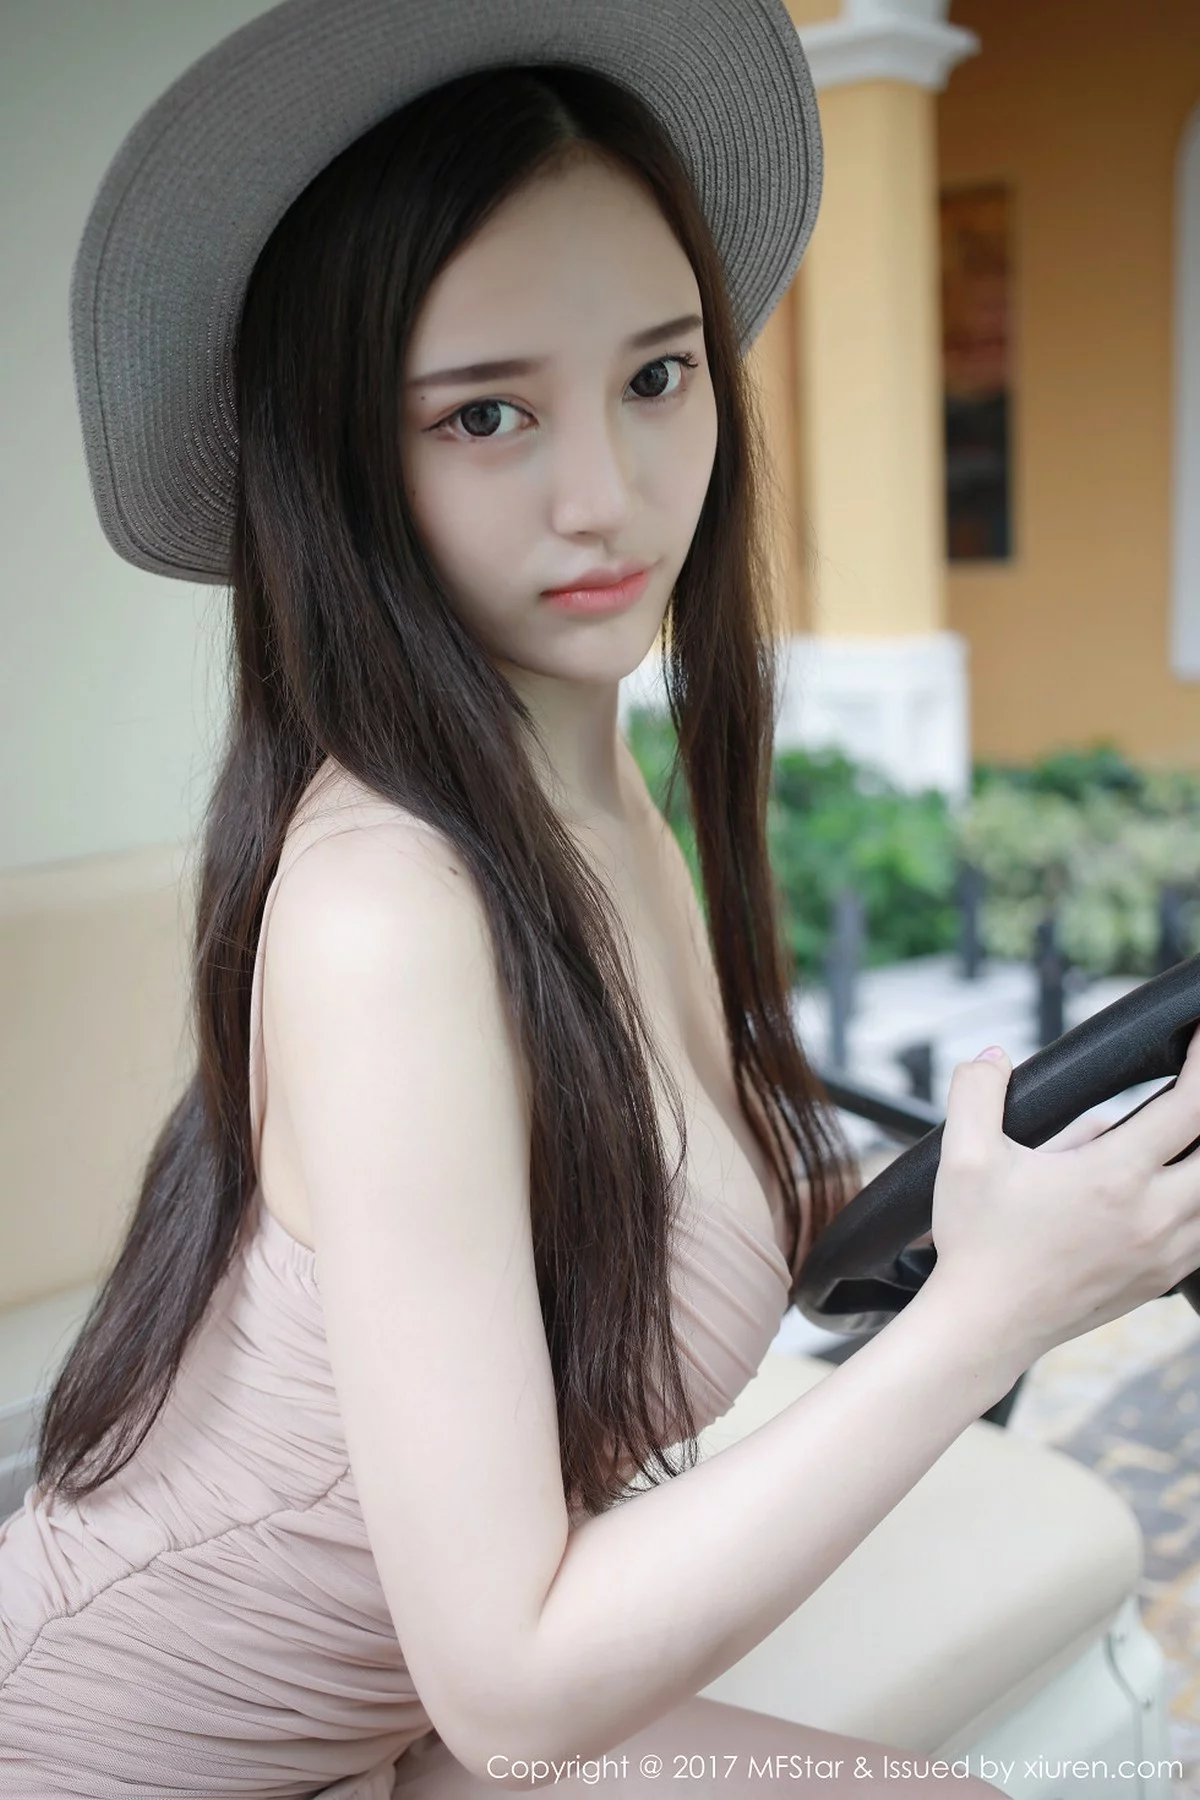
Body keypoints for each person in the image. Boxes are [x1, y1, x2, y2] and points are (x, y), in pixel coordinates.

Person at [4, 3, 1200, 1795]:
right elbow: (514, 1690)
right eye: (485, 414)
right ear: (344, 460)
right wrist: (990, 1318)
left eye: (657, 376)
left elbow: (641, 1198)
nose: (610, 498)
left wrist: (990, 1208)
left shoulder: (584, 780)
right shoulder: (386, 909)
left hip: (385, 1717)